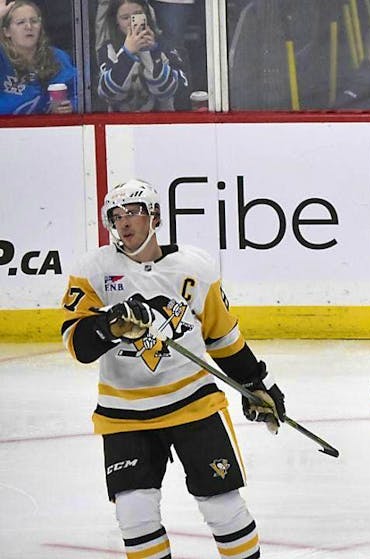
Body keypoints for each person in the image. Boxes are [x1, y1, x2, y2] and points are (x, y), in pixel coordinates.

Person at [61, 179, 287, 556]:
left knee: (224, 508)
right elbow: (77, 345)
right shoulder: (94, 270)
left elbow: (222, 338)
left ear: (155, 216)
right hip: (125, 414)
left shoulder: (195, 268)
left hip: (192, 404)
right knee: (134, 516)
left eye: (133, 213)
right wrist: (106, 326)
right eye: (117, 217)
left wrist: (257, 382)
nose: (125, 223)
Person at [97, 0, 190, 112]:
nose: (132, 23)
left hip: (161, 122)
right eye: (125, 18)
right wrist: (127, 53)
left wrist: (150, 52)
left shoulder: (165, 45)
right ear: (116, 21)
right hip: (121, 125)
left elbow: (166, 90)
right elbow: (109, 94)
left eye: (137, 15)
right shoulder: (107, 49)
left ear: (146, 14)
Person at [0, 0, 75, 114]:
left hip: (50, 130)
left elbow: (81, 93)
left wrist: (71, 106)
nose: (29, 27)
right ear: (6, 32)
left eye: (34, 21)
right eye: (20, 22)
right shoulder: (2, 57)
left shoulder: (58, 57)